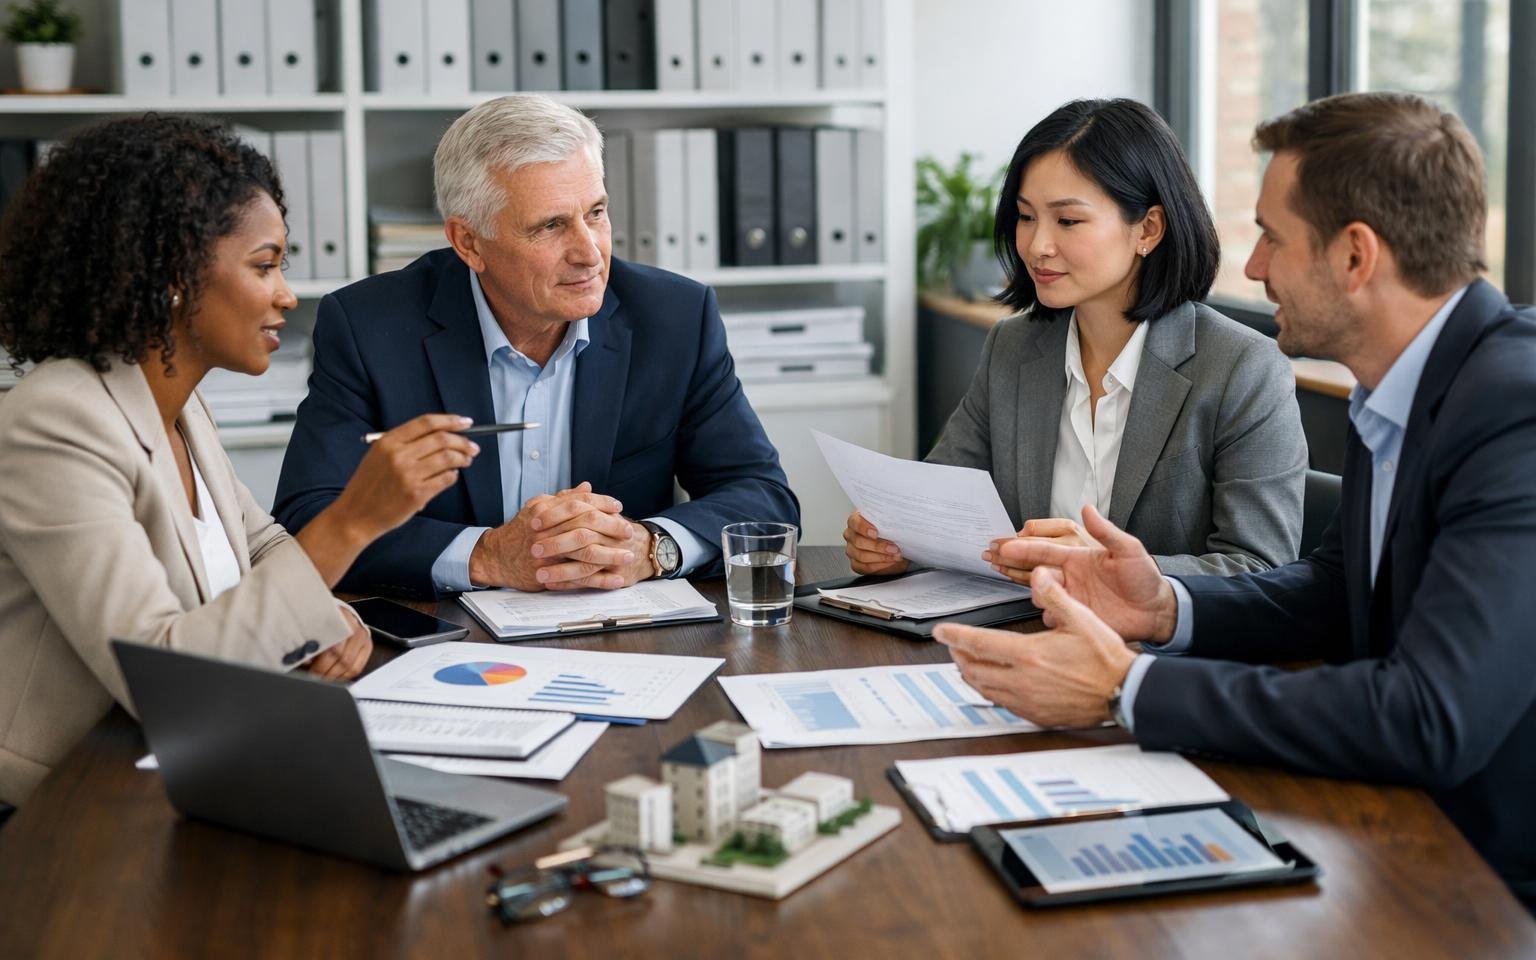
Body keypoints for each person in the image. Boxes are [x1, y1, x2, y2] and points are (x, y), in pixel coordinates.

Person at [936, 92, 1536, 909]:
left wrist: (1127, 688)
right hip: (1385, 824)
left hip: (1486, 876)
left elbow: (1427, 715)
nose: (1251, 268)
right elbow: (1333, 593)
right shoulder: (1400, 386)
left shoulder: (1514, 412)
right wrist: (1164, 607)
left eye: (1273, 237)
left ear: (1355, 257)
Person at [0, 114, 480, 807]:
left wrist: (336, 618)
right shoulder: (55, 422)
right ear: (171, 277)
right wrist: (354, 520)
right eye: (265, 266)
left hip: (192, 764)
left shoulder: (178, 404)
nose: (287, 294)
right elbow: (159, 679)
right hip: (71, 804)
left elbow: (261, 545)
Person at [273, 94, 798, 599]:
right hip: (454, 641)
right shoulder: (369, 327)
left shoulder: (675, 317)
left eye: (595, 212)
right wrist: (487, 555)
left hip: (629, 632)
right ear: (468, 243)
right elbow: (309, 517)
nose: (590, 253)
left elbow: (762, 495)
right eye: (551, 226)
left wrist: (650, 546)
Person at [845, 99, 1305, 580]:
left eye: (1067, 221)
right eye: (1026, 217)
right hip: (1021, 631)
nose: (1037, 245)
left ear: (1148, 228)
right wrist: (897, 539)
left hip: (1148, 651)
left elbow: (1260, 568)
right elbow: (937, 503)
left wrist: (1103, 570)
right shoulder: (1013, 347)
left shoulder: (1242, 369)